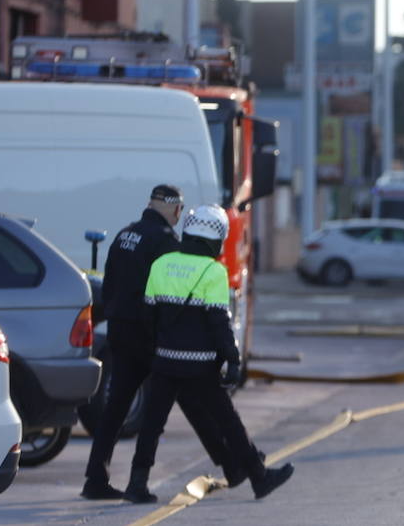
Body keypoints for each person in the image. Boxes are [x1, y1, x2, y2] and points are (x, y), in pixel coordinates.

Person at [124, 206, 294, 504]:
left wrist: (157, 351)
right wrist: (233, 359)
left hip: (165, 361)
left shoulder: (162, 263)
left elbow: (146, 316)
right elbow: (218, 323)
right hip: (200, 366)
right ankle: (259, 476)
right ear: (217, 238)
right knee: (229, 421)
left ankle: (136, 484)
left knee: (152, 424)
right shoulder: (214, 271)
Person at [82, 185, 239, 500]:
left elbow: (109, 284)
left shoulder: (125, 235)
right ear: (176, 209)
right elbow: (169, 295)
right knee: (192, 403)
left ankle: (95, 479)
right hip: (150, 338)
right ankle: (231, 465)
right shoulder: (165, 243)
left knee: (116, 408)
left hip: (119, 332)